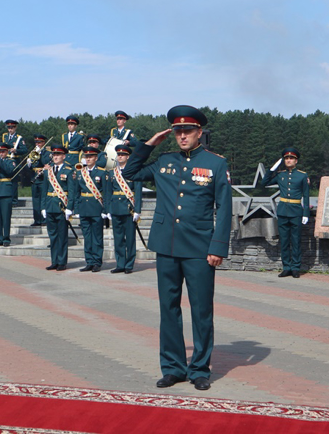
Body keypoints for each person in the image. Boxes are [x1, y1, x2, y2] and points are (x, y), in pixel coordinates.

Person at [122, 105, 232, 392]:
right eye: (177, 131)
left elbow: (225, 207)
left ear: (199, 133)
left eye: (187, 131)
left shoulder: (215, 164)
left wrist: (218, 247)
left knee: (201, 311)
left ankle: (198, 369)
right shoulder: (164, 161)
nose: (182, 136)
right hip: (167, 246)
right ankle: (172, 368)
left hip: (199, 248)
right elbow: (130, 171)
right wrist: (148, 145)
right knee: (168, 308)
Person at [261, 147, 310, 279]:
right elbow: (263, 183)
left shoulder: (302, 175)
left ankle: (295, 268)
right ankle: (286, 267)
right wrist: (271, 170)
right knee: (284, 241)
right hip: (283, 211)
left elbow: (306, 195)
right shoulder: (280, 175)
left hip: (296, 211)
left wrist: (306, 213)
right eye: (286, 158)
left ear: (296, 161)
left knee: (295, 241)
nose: (288, 160)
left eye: (291, 158)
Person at [105, 144, 142, 274]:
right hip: (115, 208)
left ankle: (129, 264)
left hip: (128, 208)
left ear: (128, 157)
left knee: (130, 239)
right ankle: (120, 263)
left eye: (123, 155)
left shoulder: (134, 172)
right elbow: (108, 192)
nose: (120, 157)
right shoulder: (112, 173)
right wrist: (108, 209)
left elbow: (138, 192)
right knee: (118, 238)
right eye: (119, 155)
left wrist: (137, 210)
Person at [73, 146, 108, 272]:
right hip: (84, 207)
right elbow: (76, 193)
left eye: (91, 157)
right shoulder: (79, 172)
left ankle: (97, 261)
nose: (88, 159)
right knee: (87, 236)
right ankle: (89, 261)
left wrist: (105, 210)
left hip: (96, 207)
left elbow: (106, 193)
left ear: (96, 158)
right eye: (86, 157)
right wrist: (76, 209)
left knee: (97, 236)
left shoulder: (102, 173)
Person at [41, 144, 74, 271]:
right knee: (52, 235)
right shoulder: (48, 171)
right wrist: (43, 207)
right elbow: (44, 190)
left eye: (58, 154)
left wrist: (69, 208)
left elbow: (71, 191)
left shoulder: (68, 170)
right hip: (50, 206)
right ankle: (54, 261)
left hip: (61, 206)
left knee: (62, 235)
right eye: (54, 155)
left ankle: (62, 261)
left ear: (64, 156)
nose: (55, 157)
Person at [1, 119, 27, 207]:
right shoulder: (4, 136)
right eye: (8, 127)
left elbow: (24, 150)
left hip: (14, 161)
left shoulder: (19, 138)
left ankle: (14, 201)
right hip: (6, 160)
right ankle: (6, 198)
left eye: (12, 127)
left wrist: (16, 150)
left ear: (15, 127)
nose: (10, 129)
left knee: (13, 182)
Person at [29, 134, 52, 226]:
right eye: (36, 142)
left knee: (43, 198)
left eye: (39, 142)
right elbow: (31, 167)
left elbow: (45, 162)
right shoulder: (33, 152)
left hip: (43, 178)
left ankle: (44, 219)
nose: (37, 144)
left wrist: (40, 153)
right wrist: (29, 164)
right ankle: (37, 220)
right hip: (35, 177)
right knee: (35, 199)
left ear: (43, 143)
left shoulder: (46, 152)